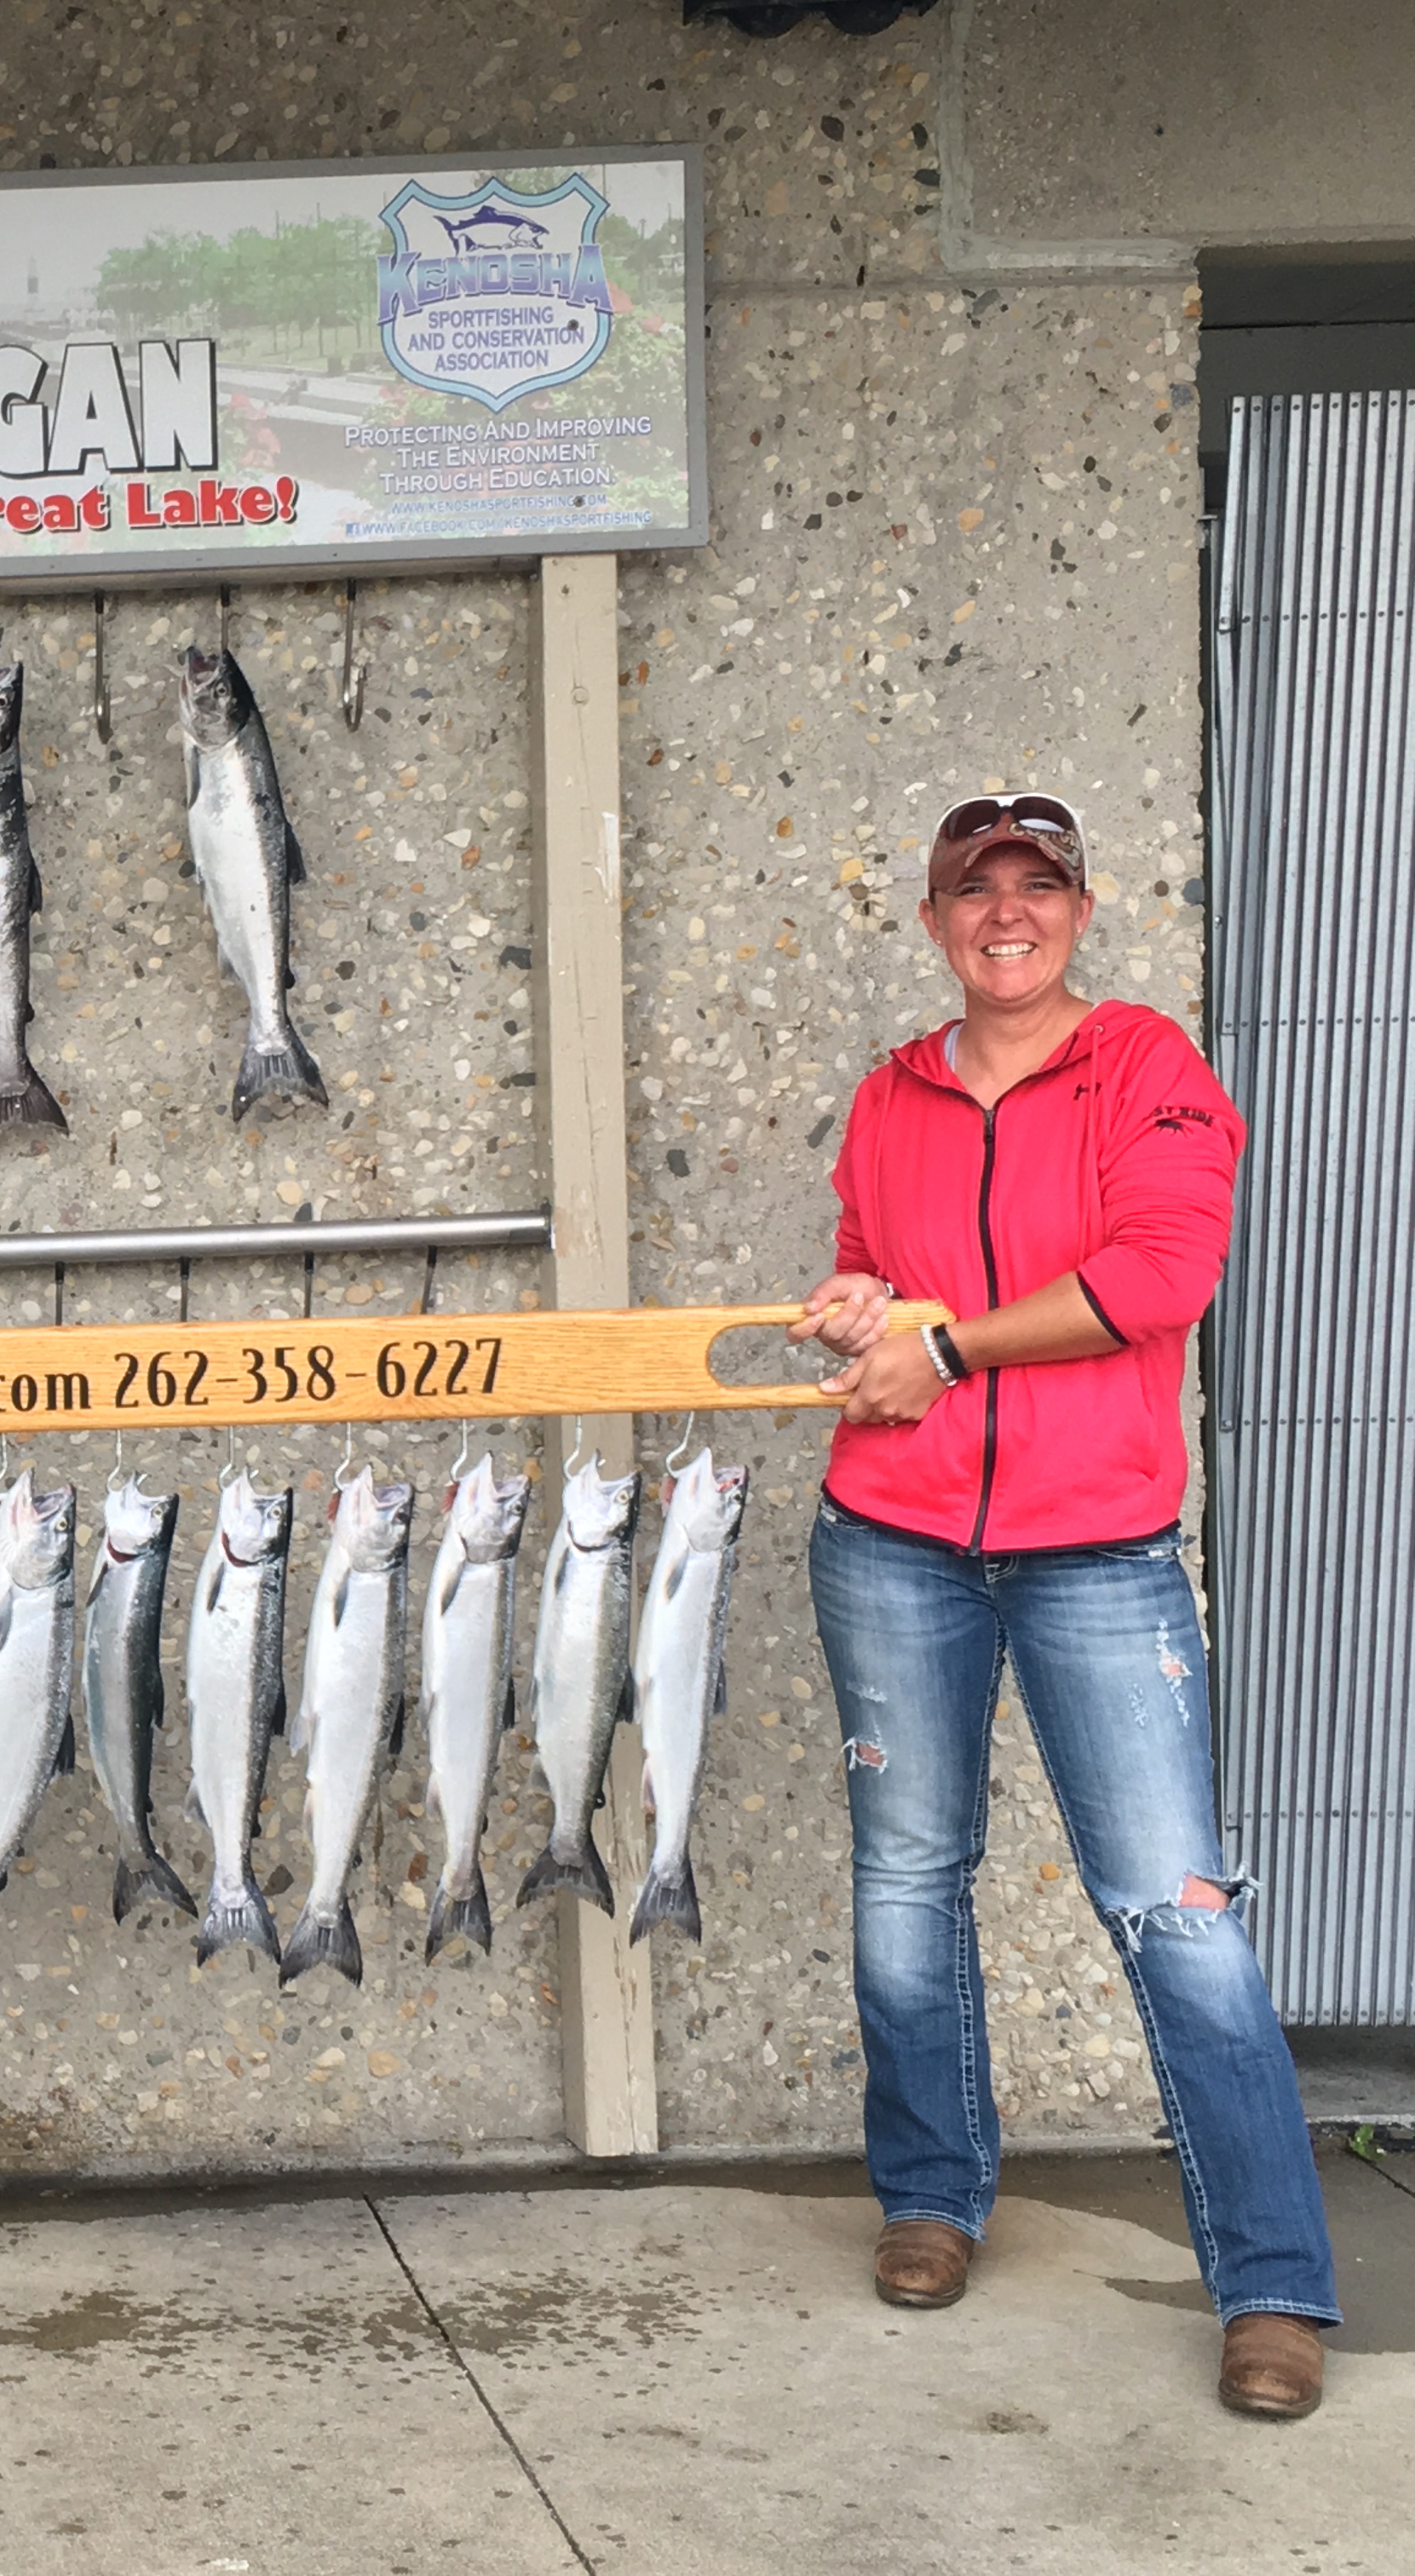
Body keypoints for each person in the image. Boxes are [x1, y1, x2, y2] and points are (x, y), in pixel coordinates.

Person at [789, 791, 1337, 2420]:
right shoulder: (893, 1093)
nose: (1006, 916)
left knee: (1176, 1912)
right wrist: (859, 1307)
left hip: (1096, 1549)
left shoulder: (1151, 1071)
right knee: (907, 1882)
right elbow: (877, 1259)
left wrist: (945, 1349)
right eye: (976, 892)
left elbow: (1163, 1278)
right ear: (937, 920)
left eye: (1038, 888)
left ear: (1082, 913)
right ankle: (933, 2200)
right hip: (890, 1537)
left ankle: (1274, 2283)